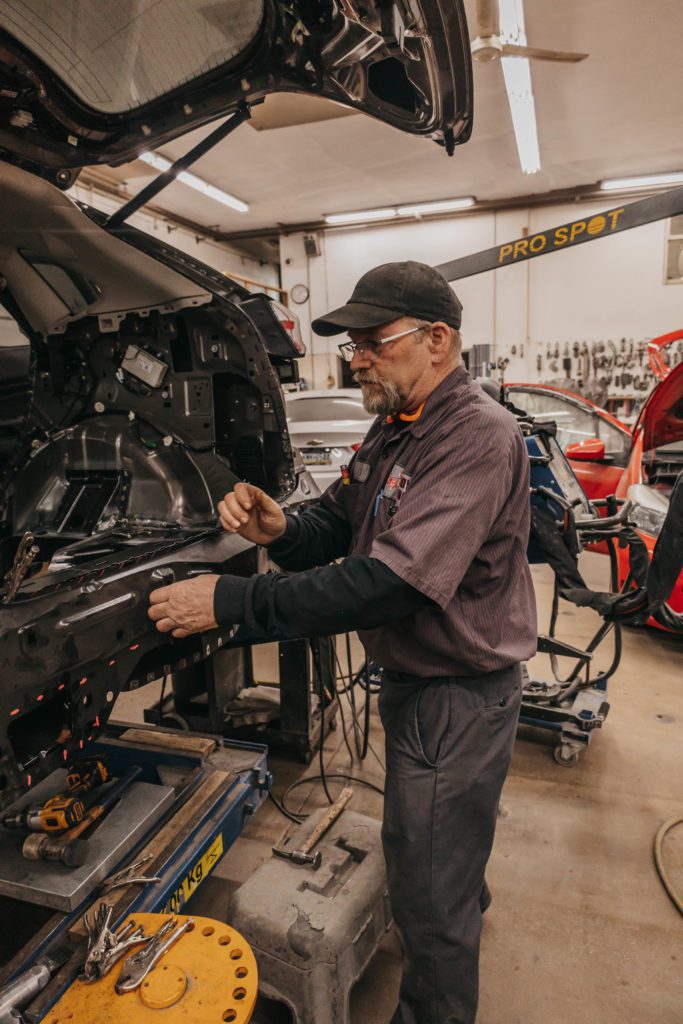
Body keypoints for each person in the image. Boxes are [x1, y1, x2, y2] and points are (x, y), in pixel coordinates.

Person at [148, 261, 537, 1024]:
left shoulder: (475, 438)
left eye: (371, 342)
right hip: (421, 690)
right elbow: (340, 519)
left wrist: (233, 601)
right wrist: (282, 529)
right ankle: (462, 885)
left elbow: (386, 582)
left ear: (436, 339)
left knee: (429, 904)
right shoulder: (396, 425)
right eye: (350, 344)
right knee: (435, 851)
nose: (354, 357)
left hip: (456, 697)